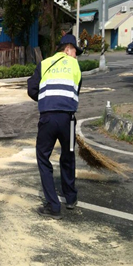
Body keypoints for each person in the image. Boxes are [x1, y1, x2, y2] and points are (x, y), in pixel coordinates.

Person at [27, 34, 83, 219]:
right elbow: (76, 89)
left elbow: (31, 88)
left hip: (48, 119)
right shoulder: (75, 65)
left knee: (43, 157)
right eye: (75, 51)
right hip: (69, 120)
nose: (76, 55)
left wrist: (45, 98)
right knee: (68, 156)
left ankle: (53, 207)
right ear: (68, 49)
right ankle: (71, 198)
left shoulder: (45, 64)